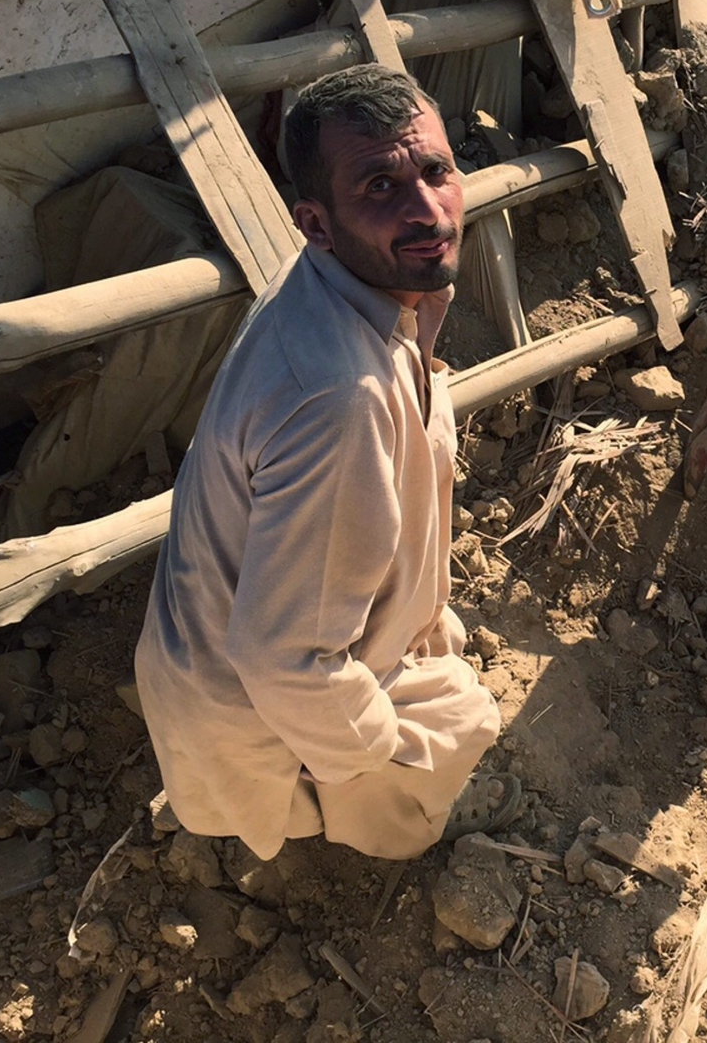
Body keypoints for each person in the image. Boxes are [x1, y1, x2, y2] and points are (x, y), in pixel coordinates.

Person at [134, 65, 510, 862]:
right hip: (255, 698)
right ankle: (378, 832)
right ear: (316, 221)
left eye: (436, 172)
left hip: (236, 646)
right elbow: (285, 662)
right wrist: (382, 751)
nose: (426, 210)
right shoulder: (340, 397)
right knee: (448, 736)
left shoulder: (349, 286)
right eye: (378, 185)